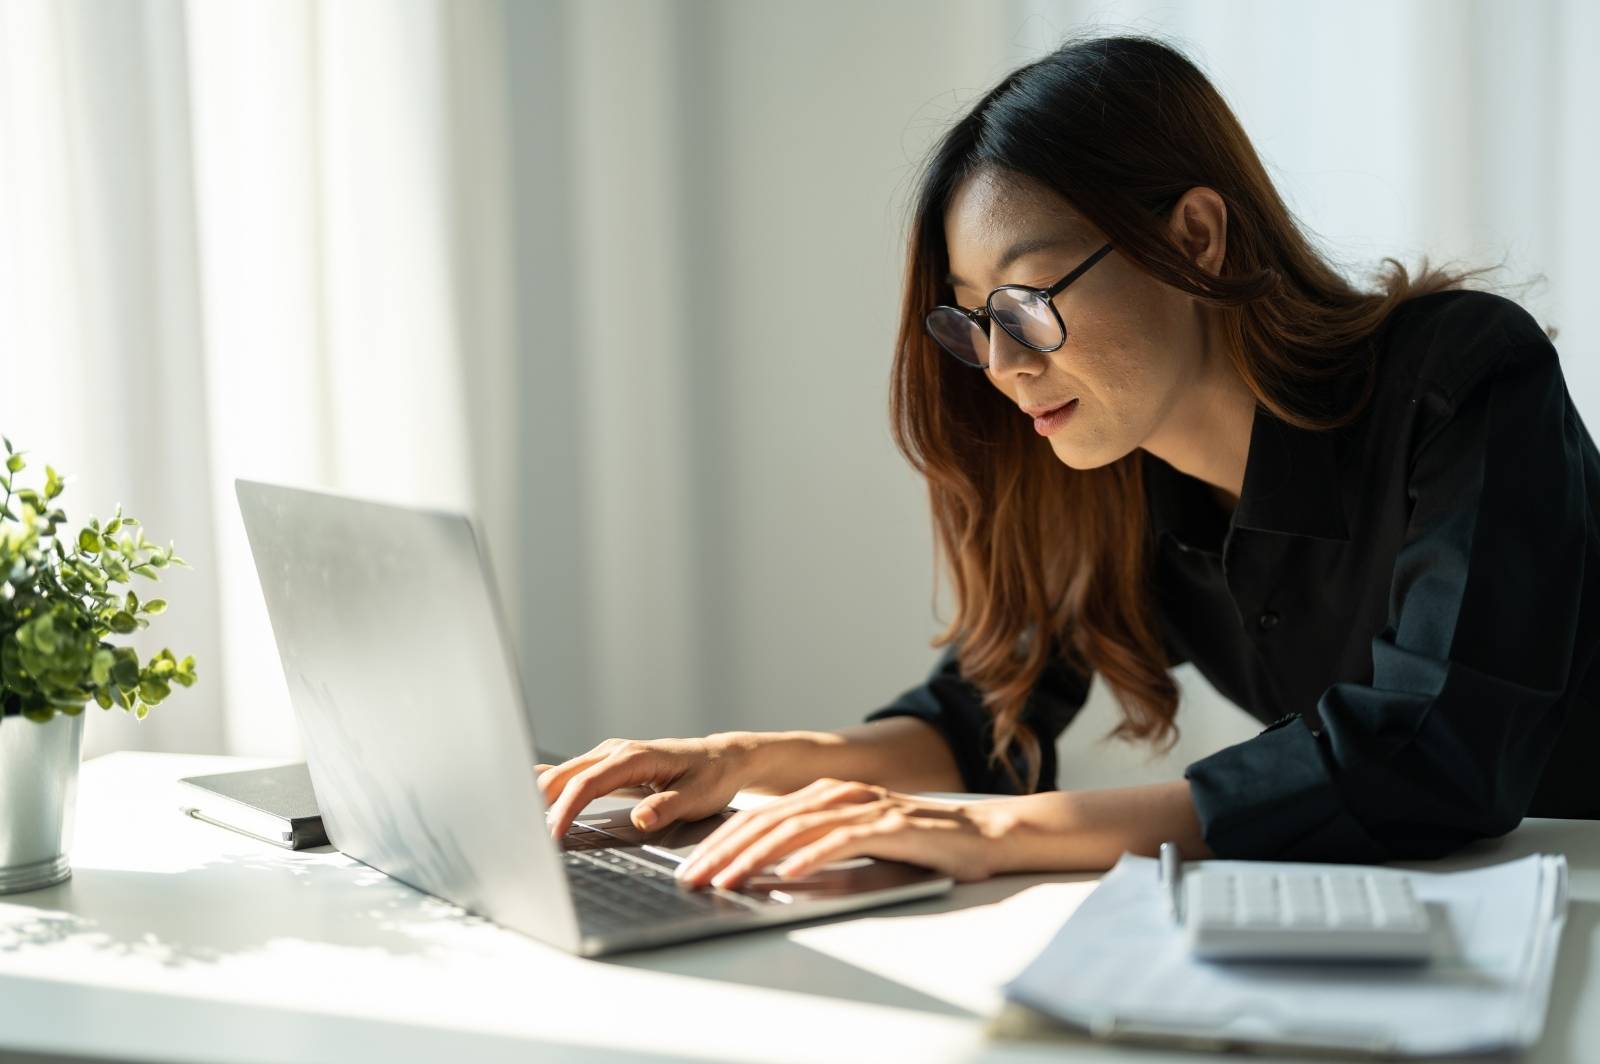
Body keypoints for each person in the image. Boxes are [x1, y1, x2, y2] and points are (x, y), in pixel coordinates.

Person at [537, 33, 1599, 893]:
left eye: (1027, 301)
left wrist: (1003, 832)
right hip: (1458, 905)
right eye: (971, 321)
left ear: (1195, 237)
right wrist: (741, 758)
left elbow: (1429, 753)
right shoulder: (1114, 468)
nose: (997, 364)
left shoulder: (1460, 376)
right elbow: (980, 714)